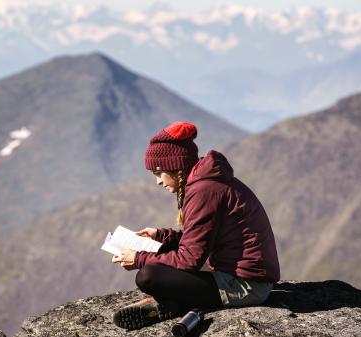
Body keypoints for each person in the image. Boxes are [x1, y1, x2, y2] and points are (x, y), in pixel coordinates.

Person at [111, 121, 280, 331]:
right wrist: (161, 236)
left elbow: (190, 259)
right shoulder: (205, 182)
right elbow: (200, 239)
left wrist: (138, 259)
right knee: (161, 258)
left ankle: (172, 305)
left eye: (158, 173)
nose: (158, 182)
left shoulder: (203, 191)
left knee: (148, 276)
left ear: (175, 168)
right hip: (241, 276)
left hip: (247, 286)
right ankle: (173, 304)